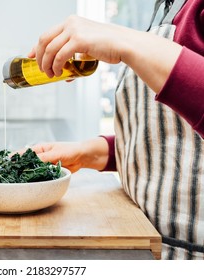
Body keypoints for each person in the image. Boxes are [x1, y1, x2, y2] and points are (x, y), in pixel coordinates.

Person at [25, 0, 204, 260]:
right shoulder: (166, 8)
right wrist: (91, 152)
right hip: (151, 248)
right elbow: (176, 138)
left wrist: (125, 41)